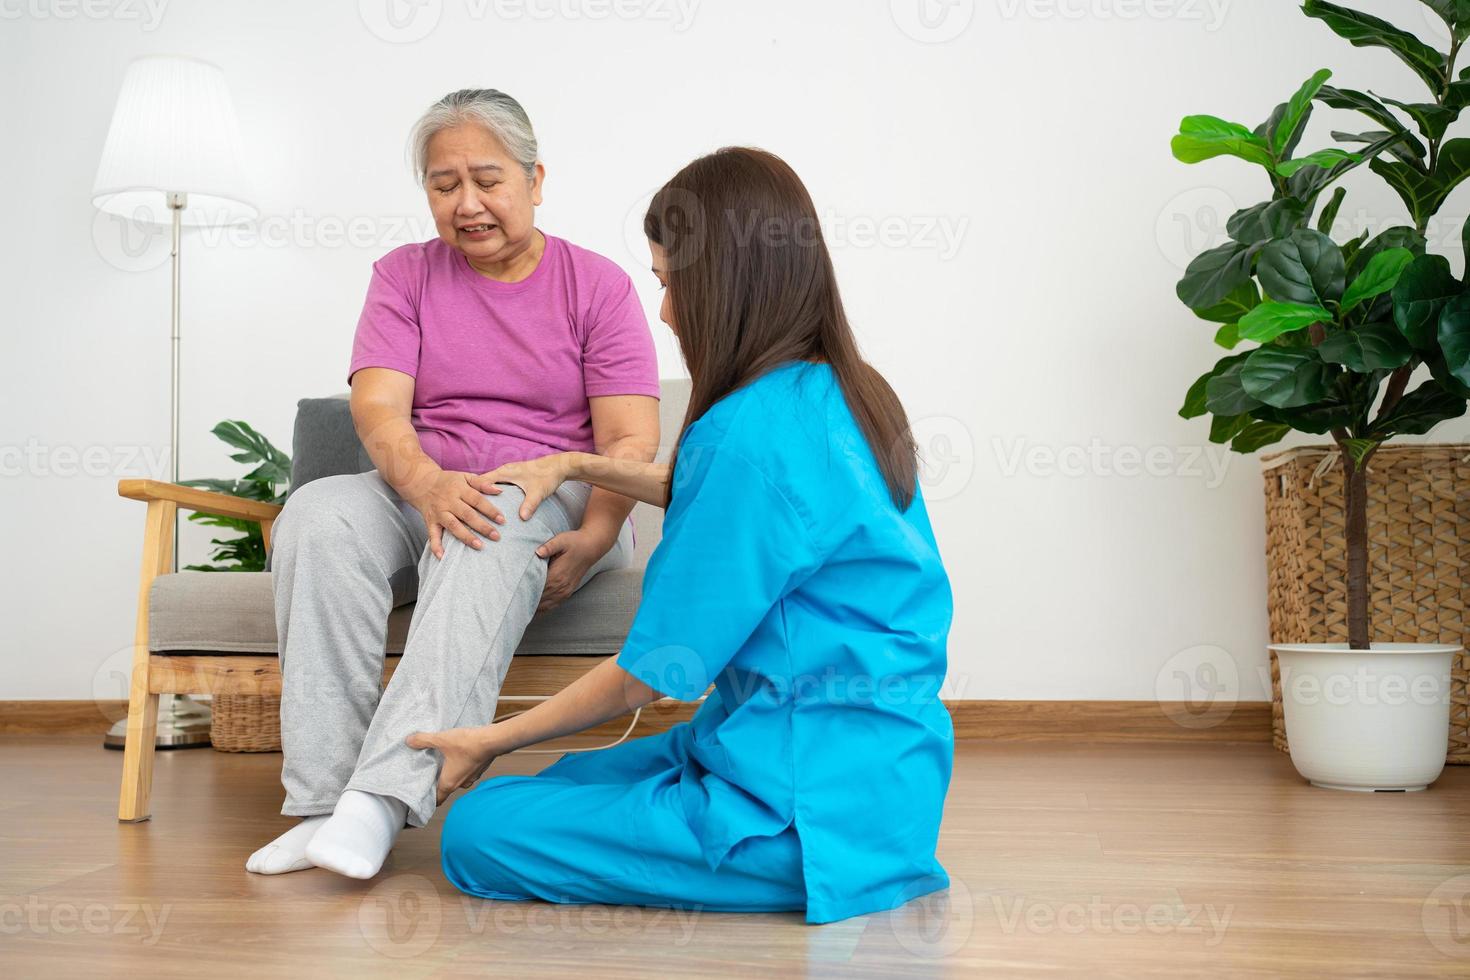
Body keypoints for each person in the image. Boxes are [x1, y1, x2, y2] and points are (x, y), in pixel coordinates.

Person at [407, 147, 955, 924]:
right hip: (873, 776)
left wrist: (491, 737)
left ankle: (739, 851)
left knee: (477, 830)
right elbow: (726, 497)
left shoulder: (749, 436)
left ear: (721, 281)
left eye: (668, 284)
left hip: (804, 816)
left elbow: (654, 673)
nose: (664, 312)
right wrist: (569, 461)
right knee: (556, 780)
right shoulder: (842, 392)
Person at [246, 89, 660, 879]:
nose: (466, 204)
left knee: (491, 513)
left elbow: (630, 439)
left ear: (536, 181)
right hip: (424, 483)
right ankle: (321, 804)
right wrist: (430, 484)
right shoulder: (403, 276)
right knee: (318, 514)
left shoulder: (596, 285)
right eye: (443, 186)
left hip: (552, 495)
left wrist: (600, 533)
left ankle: (382, 799)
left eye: (487, 180)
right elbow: (377, 410)